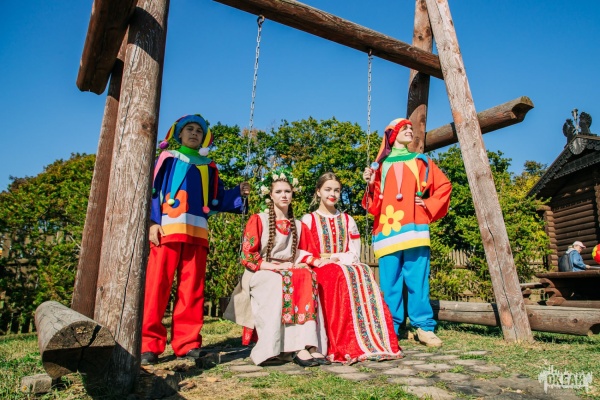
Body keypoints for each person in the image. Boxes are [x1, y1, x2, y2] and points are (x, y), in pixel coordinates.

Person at [141, 114, 250, 365]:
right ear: (179, 134)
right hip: (166, 229)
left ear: (204, 138)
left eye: (199, 131)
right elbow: (153, 190)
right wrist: (152, 222)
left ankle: (187, 343)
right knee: (156, 287)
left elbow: (216, 198)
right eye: (189, 129)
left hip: (197, 231)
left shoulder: (208, 166)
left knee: (192, 289)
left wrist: (238, 193)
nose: (194, 133)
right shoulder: (167, 159)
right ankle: (148, 345)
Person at [224, 167, 328, 367]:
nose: (283, 195)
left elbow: (304, 253)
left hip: (288, 269)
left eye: (287, 191)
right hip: (261, 271)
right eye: (278, 191)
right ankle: (275, 349)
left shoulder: (299, 225)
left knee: (306, 277)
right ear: (270, 195)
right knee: (277, 280)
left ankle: (308, 344)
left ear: (292, 194)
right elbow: (247, 256)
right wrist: (273, 267)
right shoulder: (259, 220)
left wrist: (311, 263)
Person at [362, 118, 452, 347]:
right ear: (392, 135)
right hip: (387, 230)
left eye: (411, 128)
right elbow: (373, 206)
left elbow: (444, 186)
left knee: (417, 281)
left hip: (415, 229)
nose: (410, 131)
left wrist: (428, 204)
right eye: (405, 128)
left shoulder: (421, 161)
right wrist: (370, 184)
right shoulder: (379, 167)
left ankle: (423, 327)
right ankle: (390, 328)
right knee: (390, 283)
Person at [301, 172, 402, 364]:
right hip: (318, 266)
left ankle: (368, 337)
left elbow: (354, 252)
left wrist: (336, 258)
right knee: (337, 274)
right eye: (328, 189)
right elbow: (301, 250)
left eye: (337, 190)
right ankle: (342, 341)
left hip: (342, 263)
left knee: (363, 270)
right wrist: (318, 261)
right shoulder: (309, 219)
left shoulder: (348, 220)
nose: (332, 194)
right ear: (318, 192)